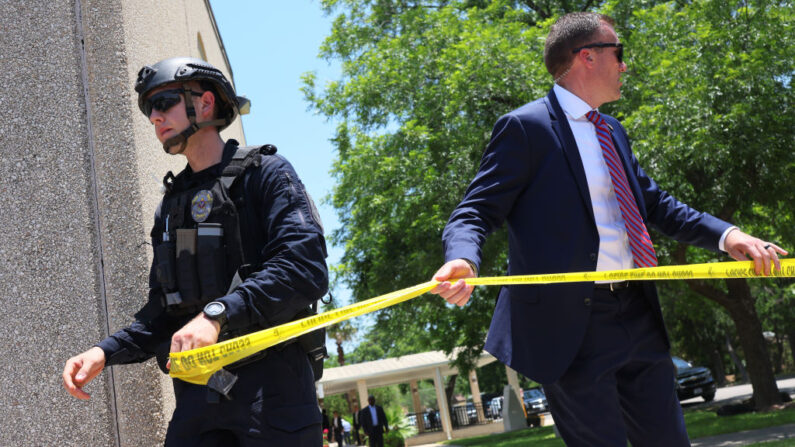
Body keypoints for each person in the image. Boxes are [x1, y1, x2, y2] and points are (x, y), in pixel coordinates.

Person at [430, 12, 786, 447]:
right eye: (618, 53)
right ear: (587, 57)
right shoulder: (526, 128)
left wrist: (729, 235)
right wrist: (462, 257)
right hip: (570, 328)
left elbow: (653, 203)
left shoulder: (612, 130)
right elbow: (475, 210)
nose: (624, 65)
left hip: (637, 313)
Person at [62, 57, 329, 446]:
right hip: (199, 402)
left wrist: (218, 314)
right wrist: (103, 353)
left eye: (164, 102)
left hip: (274, 395)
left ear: (204, 103)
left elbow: (303, 268)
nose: (154, 117)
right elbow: (162, 313)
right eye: (148, 109)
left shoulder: (267, 173)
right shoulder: (172, 205)